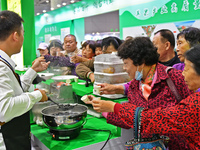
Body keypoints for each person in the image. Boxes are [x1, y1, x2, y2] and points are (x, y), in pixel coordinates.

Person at [85, 37, 192, 150]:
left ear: (140, 62)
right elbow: (132, 119)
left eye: (126, 63)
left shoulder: (173, 78)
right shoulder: (134, 86)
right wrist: (103, 108)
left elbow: (191, 112)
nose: (124, 68)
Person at [0, 10, 50, 150]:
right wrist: (37, 95)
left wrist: (33, 70)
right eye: (23, 33)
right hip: (7, 140)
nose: (23, 38)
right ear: (15, 35)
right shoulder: (1, 66)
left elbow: (15, 90)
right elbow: (5, 110)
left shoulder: (4, 63)